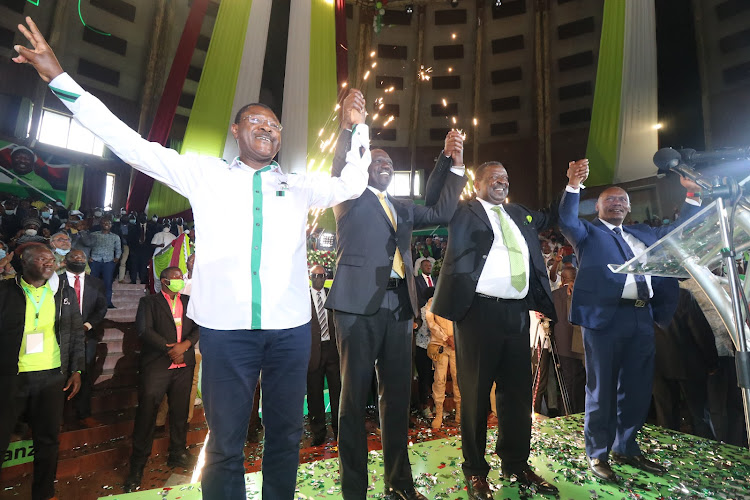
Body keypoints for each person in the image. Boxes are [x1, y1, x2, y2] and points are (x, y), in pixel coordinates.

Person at [13, 17, 373, 499]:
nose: (267, 129)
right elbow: (132, 146)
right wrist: (60, 79)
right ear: (236, 130)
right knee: (225, 445)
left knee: (284, 438)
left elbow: (352, 184)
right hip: (227, 335)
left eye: (275, 126)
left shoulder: (299, 185)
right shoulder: (203, 175)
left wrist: (356, 129)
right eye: (257, 122)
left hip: (289, 333)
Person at [326, 89, 466, 500]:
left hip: (399, 309)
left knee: (396, 399)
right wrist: (350, 126)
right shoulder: (347, 196)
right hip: (356, 308)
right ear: (366, 166)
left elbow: (440, 211)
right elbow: (340, 163)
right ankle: (355, 490)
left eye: (390, 163)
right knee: (353, 401)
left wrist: (452, 163)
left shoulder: (402, 207)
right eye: (378, 161)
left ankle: (399, 485)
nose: (385, 166)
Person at [558, 159, 702, 482]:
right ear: (596, 206)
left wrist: (692, 196)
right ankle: (598, 453)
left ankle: (627, 446)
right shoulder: (586, 233)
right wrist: (572, 185)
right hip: (604, 321)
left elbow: (678, 233)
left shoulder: (643, 233)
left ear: (630, 206)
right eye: (610, 199)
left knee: (637, 388)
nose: (618, 203)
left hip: (642, 316)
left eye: (623, 199)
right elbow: (565, 218)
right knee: (602, 388)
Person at [431, 160, 560, 499]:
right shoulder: (463, 212)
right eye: (493, 177)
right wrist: (452, 164)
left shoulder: (518, 214)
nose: (501, 182)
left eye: (505, 177)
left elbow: (550, 214)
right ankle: (475, 470)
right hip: (478, 313)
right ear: (478, 184)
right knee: (474, 396)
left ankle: (515, 462)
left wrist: (573, 186)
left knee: (516, 394)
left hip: (517, 313)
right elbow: (435, 201)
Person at [0, 243, 84, 500]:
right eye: (41, 259)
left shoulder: (63, 293)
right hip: (10, 376)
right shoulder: (5, 291)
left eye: (51, 259)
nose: (50, 263)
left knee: (48, 440)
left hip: (51, 376)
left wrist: (77, 369)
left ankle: (44, 494)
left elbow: (76, 331)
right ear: (24, 262)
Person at [125, 266, 200, 492]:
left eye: (181, 277)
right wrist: (169, 349)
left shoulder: (189, 301)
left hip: (184, 365)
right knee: (147, 413)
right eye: (175, 278)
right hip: (158, 365)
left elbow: (199, 326)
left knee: (179, 413)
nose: (179, 280)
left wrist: (185, 346)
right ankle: (137, 465)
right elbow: (144, 330)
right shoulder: (149, 303)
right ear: (164, 281)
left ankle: (177, 453)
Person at [652, 287, 718, 438]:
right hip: (689, 364)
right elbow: (700, 331)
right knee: (699, 416)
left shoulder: (645, 295)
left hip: (656, 365)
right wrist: (712, 362)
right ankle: (707, 455)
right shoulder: (682, 295)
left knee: (666, 417)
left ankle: (669, 455)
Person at [65, 249, 108, 426]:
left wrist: (87, 326)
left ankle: (83, 413)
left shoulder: (96, 283)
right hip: (60, 335)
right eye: (74, 256)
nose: (78, 259)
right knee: (59, 373)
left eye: (82, 257)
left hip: (86, 335)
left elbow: (101, 308)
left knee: (84, 372)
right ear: (66, 260)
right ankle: (57, 414)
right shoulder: (54, 282)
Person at [307, 265, 340, 447]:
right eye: (315, 275)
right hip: (313, 352)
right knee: (314, 394)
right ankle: (318, 432)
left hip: (333, 350)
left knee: (337, 392)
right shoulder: (303, 298)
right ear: (310, 277)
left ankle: (338, 429)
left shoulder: (331, 294)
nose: (319, 278)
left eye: (322, 275)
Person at [551, 267, 586, 414]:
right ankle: (582, 411)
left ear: (562, 279)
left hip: (562, 345)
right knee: (583, 382)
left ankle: (569, 413)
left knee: (568, 382)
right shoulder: (583, 292)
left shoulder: (553, 295)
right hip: (582, 344)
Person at [425, 292, 460, 429]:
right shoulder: (432, 301)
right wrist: (446, 338)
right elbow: (430, 322)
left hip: (456, 346)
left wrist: (456, 339)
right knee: (439, 379)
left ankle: (459, 411)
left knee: (458, 378)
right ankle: (438, 413)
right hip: (440, 345)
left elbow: (462, 319)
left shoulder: (458, 300)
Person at [86, 217, 121, 307]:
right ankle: (91, 303)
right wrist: (88, 257)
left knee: (108, 283)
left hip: (108, 261)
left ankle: (108, 303)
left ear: (111, 225)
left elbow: (118, 249)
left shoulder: (115, 237)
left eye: (108, 223)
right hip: (95, 260)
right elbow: (87, 246)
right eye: (104, 222)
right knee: (92, 282)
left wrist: (117, 257)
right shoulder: (93, 235)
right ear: (100, 224)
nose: (106, 224)